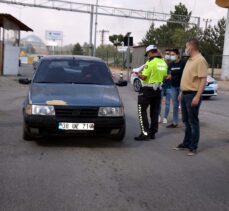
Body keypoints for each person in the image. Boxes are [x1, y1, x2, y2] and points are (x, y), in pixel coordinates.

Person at [173, 38, 208, 156]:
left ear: (191, 47)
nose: (185, 49)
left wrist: (197, 96)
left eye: (186, 47)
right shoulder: (190, 60)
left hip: (193, 95)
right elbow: (186, 78)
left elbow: (203, 80)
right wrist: (181, 93)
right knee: (186, 121)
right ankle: (186, 143)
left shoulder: (200, 60)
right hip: (185, 94)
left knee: (193, 122)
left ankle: (193, 147)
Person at [135, 45, 168, 141]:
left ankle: (145, 133)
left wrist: (138, 74)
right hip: (158, 90)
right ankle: (153, 133)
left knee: (142, 111)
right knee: (154, 112)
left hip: (147, 89)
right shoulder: (163, 63)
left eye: (147, 54)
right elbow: (164, 77)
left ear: (150, 53)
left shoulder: (150, 63)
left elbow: (144, 77)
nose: (148, 56)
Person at [166, 48, 186, 128]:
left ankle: (186, 122)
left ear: (178, 55)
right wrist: (168, 76)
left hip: (182, 86)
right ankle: (175, 122)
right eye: (170, 55)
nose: (171, 56)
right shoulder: (171, 64)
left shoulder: (183, 63)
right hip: (173, 86)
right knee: (175, 104)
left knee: (184, 104)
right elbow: (170, 74)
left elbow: (185, 75)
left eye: (173, 55)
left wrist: (182, 88)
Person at [159, 49, 172, 124]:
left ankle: (165, 118)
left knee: (167, 103)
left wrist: (170, 76)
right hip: (161, 85)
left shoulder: (172, 64)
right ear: (164, 54)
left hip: (169, 86)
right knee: (159, 103)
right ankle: (159, 116)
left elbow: (172, 74)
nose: (168, 55)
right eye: (166, 53)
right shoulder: (161, 63)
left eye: (169, 54)